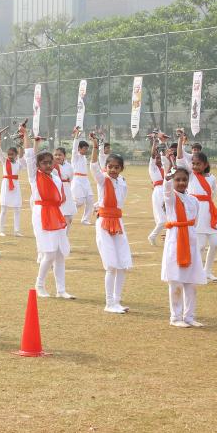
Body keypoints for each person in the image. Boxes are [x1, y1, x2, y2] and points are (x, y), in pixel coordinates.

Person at [24, 135, 74, 299]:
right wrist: (27, 136)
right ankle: (39, 285)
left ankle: (61, 290)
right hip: (41, 213)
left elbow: (59, 198)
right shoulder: (34, 176)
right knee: (50, 253)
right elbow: (29, 155)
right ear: (37, 165)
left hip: (56, 214)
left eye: (49, 162)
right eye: (43, 163)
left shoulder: (55, 176)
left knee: (60, 253)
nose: (47, 165)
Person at [88, 132, 131, 313]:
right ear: (106, 167)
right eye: (110, 167)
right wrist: (96, 147)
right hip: (104, 222)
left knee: (123, 264)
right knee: (112, 265)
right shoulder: (102, 180)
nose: (113, 170)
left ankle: (117, 301)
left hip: (118, 222)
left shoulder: (122, 182)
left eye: (116, 167)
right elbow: (93, 167)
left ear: (121, 169)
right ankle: (109, 303)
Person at [161, 165, 206, 327]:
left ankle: (189, 316)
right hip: (176, 241)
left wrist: (191, 236)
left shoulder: (193, 200)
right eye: (177, 180)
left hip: (191, 241)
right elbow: (166, 193)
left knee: (191, 282)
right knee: (176, 281)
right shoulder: (171, 198)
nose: (181, 183)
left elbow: (196, 221)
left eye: (184, 180)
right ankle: (175, 317)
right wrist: (167, 180)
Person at [177, 132, 217, 283]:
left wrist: (209, 208)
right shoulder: (191, 175)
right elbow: (180, 158)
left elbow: (213, 194)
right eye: (193, 163)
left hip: (209, 211)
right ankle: (194, 271)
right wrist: (180, 141)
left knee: (215, 243)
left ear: (205, 165)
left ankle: (207, 271)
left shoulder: (212, 178)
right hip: (197, 211)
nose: (195, 166)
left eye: (198, 164)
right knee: (201, 245)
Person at [0, 134, 23, 236]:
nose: (10, 156)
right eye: (9, 154)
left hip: (15, 186)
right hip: (6, 186)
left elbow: (22, 155)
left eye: (12, 154)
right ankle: (1, 231)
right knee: (4, 209)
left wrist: (21, 143)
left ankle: (17, 231)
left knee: (17, 209)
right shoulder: (4, 161)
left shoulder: (18, 163)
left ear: (16, 155)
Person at [146, 135, 172, 246]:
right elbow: (152, 155)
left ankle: (167, 237)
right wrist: (155, 143)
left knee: (170, 215)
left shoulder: (163, 168)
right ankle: (152, 236)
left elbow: (167, 159)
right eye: (156, 158)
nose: (158, 159)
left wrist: (163, 142)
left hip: (166, 190)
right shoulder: (152, 167)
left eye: (159, 158)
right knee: (162, 220)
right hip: (158, 192)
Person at [70, 129, 93, 225]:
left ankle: (85, 219)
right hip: (77, 180)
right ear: (79, 149)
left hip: (85, 180)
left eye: (87, 149)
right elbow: (74, 149)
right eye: (84, 148)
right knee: (80, 202)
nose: (86, 150)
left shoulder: (84, 157)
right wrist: (76, 136)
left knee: (90, 199)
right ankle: (67, 212)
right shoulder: (75, 156)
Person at [52, 145, 76, 233]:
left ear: (64, 156)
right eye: (55, 155)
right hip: (56, 192)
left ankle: (65, 237)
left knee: (69, 218)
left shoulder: (69, 166)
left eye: (60, 155)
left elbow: (71, 177)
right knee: (60, 216)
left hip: (67, 192)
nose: (57, 157)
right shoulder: (51, 166)